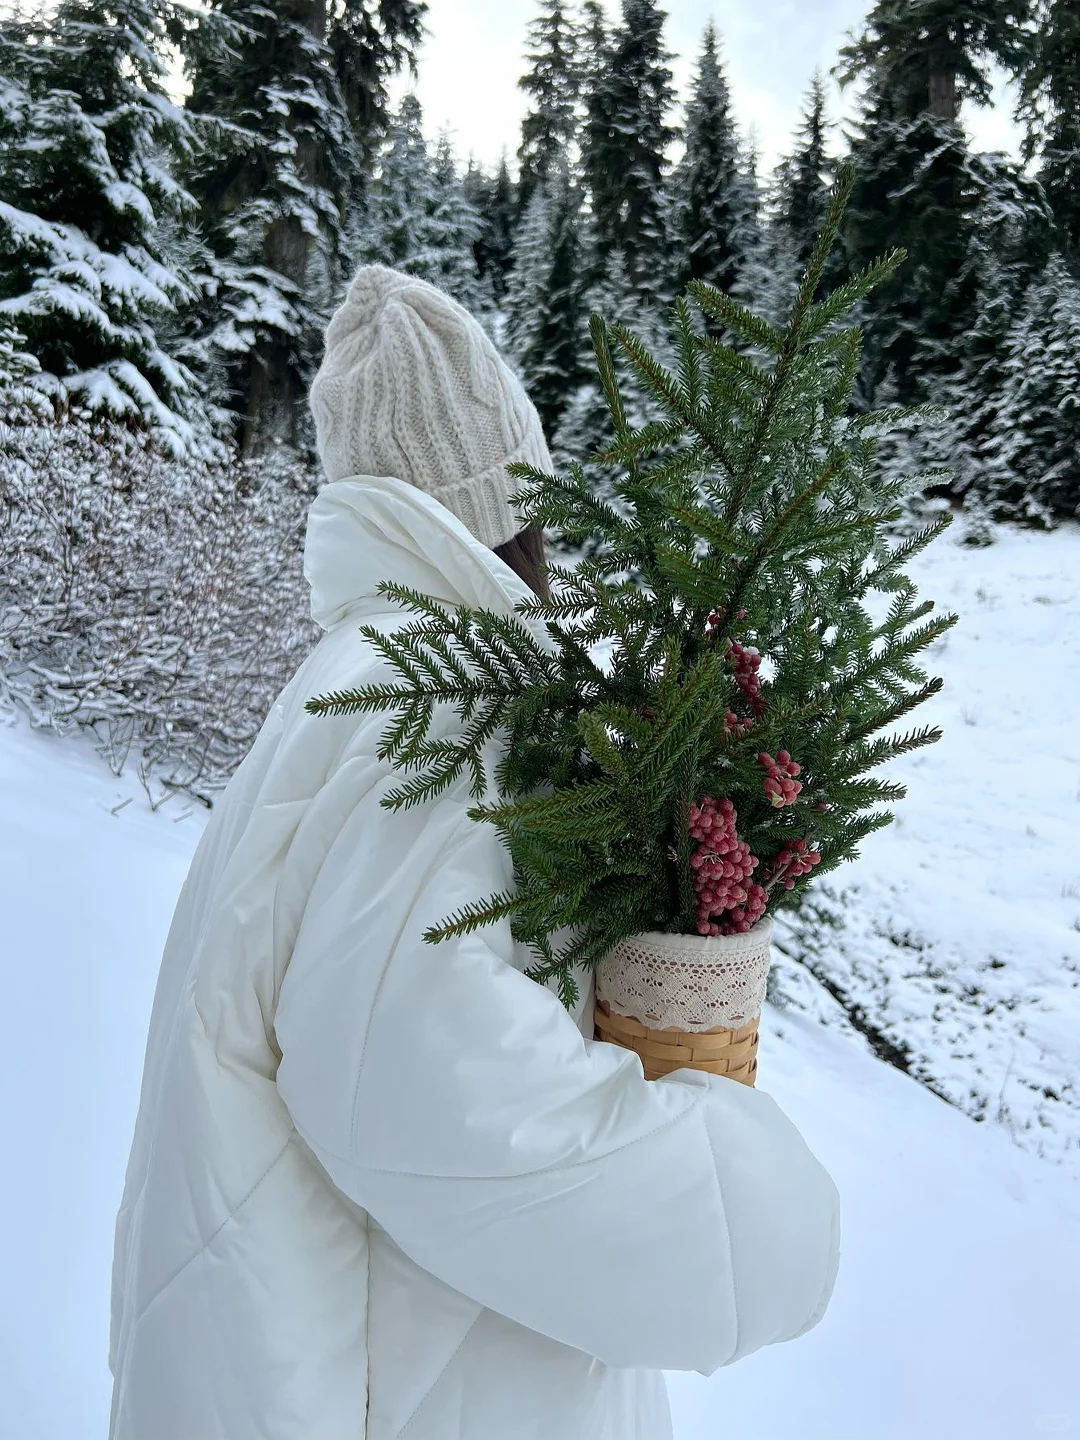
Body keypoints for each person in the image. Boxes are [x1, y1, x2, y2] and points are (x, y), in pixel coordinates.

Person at [108, 264, 841, 1440]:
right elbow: (445, 1109)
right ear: (510, 502)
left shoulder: (352, 683)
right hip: (406, 1386)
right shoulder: (443, 711)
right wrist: (747, 1214)